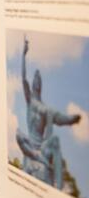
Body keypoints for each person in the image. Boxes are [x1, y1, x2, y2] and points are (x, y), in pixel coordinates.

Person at [16, 36, 81, 189]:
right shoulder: (30, 101)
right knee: (19, 134)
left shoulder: (46, 110)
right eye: (35, 78)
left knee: (56, 141)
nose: (35, 80)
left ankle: (57, 186)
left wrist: (72, 119)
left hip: (41, 147)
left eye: (38, 78)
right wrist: (23, 55)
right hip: (30, 145)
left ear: (40, 84)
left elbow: (60, 118)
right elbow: (23, 78)